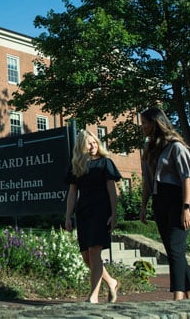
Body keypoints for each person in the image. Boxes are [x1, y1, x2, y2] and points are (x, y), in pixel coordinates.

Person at [138, 107, 190, 301]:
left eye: (145, 123)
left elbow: (187, 177)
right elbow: (148, 181)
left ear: (156, 123)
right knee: (173, 250)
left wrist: (186, 208)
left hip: (179, 199)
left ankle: (177, 298)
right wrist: (143, 206)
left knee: (175, 247)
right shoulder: (148, 149)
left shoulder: (176, 146)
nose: (143, 127)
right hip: (160, 199)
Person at [65, 129, 122, 303]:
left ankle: (93, 296)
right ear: (81, 146)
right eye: (89, 143)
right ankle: (111, 282)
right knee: (86, 256)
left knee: (94, 252)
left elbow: (112, 190)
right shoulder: (77, 166)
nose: (93, 146)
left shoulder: (106, 163)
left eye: (95, 142)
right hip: (84, 213)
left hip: (101, 211)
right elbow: (72, 193)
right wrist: (68, 216)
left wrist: (114, 213)